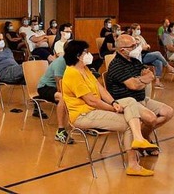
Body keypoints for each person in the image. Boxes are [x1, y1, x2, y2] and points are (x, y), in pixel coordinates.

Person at [61, 40, 158, 176]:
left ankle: (138, 138)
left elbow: (101, 90)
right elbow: (91, 101)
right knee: (130, 123)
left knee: (130, 101)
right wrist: (112, 109)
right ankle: (133, 165)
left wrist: (113, 102)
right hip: (83, 115)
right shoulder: (72, 73)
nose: (89, 54)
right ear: (78, 55)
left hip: (95, 110)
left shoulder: (84, 69)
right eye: (86, 52)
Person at [105, 35, 174, 150]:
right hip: (127, 102)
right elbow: (133, 86)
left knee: (168, 112)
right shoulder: (116, 65)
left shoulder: (135, 61)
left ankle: (142, 135)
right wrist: (142, 80)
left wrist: (140, 80)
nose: (137, 47)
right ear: (122, 50)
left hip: (141, 99)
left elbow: (150, 74)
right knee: (151, 119)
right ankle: (143, 138)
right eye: (133, 46)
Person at [130, 23, 174, 88]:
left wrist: (145, 46)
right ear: (133, 30)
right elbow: (139, 48)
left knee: (158, 62)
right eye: (137, 29)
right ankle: (168, 66)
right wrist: (144, 47)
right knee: (157, 53)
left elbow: (147, 45)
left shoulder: (140, 37)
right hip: (140, 56)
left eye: (139, 29)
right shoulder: (131, 38)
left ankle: (157, 81)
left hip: (146, 53)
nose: (139, 30)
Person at [37, 56, 71, 143]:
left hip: (61, 87)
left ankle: (84, 125)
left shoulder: (77, 62)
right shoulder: (60, 62)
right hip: (46, 87)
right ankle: (60, 131)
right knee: (62, 97)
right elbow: (59, 87)